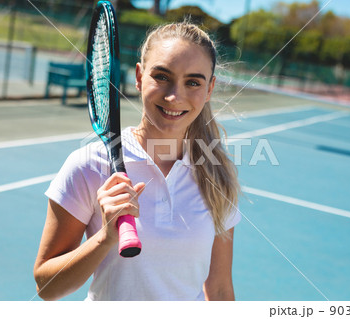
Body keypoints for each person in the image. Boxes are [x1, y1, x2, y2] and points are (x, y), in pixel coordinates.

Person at [33, 21, 241, 301]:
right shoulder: (88, 164)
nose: (174, 96)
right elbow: (46, 287)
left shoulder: (218, 174)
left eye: (193, 82)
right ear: (140, 76)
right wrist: (104, 238)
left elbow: (219, 289)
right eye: (162, 76)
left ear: (210, 89)